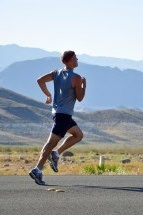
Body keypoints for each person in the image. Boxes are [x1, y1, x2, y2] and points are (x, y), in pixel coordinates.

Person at [29, 50, 86, 185]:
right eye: (75, 58)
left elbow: (40, 80)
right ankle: (37, 169)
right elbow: (80, 98)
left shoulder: (56, 73)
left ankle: (56, 154)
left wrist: (48, 95)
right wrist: (84, 85)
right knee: (50, 143)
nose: (77, 59)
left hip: (59, 113)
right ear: (69, 60)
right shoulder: (76, 78)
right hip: (64, 115)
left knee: (78, 135)